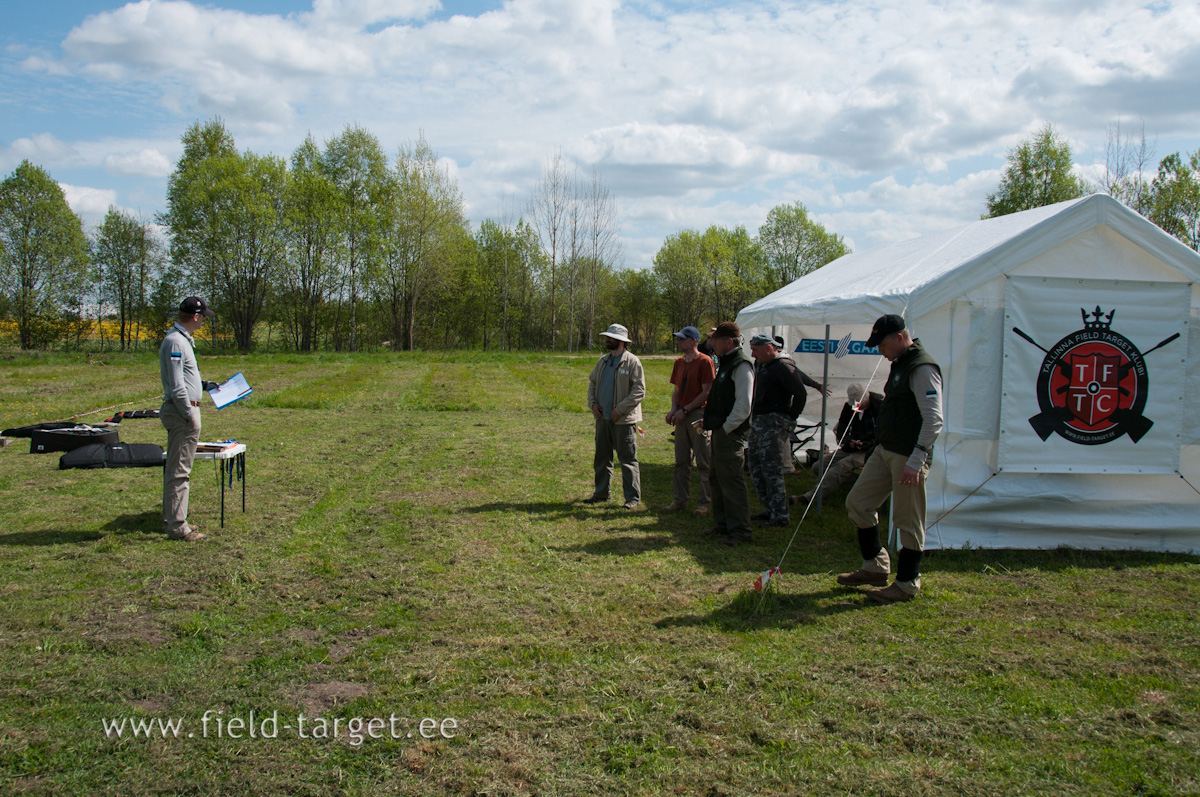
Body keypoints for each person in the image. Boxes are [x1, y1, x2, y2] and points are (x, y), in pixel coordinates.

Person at [838, 314, 943, 603]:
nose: (878, 350)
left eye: (881, 344)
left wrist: (917, 459)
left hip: (908, 455)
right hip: (886, 450)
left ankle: (907, 583)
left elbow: (934, 418)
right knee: (858, 503)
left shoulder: (921, 366)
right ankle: (875, 566)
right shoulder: (901, 363)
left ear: (900, 337)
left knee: (907, 520)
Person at [746, 333, 827, 528]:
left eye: (755, 349)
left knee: (772, 469)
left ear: (768, 348)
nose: (752, 353)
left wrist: (789, 418)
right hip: (758, 421)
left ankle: (780, 515)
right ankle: (768, 509)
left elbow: (800, 393)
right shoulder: (762, 365)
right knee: (756, 468)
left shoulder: (782, 366)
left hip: (773, 422)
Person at [159, 296, 221, 542]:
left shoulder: (181, 341)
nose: (205, 320)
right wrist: (189, 415)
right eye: (204, 316)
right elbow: (176, 386)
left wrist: (205, 386)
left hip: (185, 410)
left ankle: (177, 518)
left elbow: (185, 378)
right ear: (196, 317)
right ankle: (177, 527)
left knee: (180, 470)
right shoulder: (176, 342)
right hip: (182, 413)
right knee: (179, 472)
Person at [701, 321, 755, 545]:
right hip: (721, 430)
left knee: (732, 481)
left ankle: (741, 531)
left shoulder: (742, 365)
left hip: (730, 433)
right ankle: (723, 524)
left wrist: (725, 429)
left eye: (716, 339)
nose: (711, 343)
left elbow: (744, 405)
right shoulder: (727, 362)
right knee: (716, 478)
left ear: (729, 341)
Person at [585, 323, 645, 509]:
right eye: (607, 337)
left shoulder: (632, 362)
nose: (606, 340)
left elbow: (639, 390)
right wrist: (593, 404)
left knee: (627, 460)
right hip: (602, 419)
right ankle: (601, 493)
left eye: (610, 337)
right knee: (602, 458)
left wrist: (620, 410)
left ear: (620, 341)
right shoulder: (602, 361)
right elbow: (592, 384)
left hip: (623, 421)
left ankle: (632, 499)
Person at [795, 383, 882, 507]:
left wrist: (866, 443)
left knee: (841, 467)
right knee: (818, 467)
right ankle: (864, 486)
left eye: (858, 403)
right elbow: (841, 429)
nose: (855, 406)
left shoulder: (879, 408)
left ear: (866, 398)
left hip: (871, 450)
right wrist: (848, 440)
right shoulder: (849, 407)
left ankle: (809, 498)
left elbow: (884, 434)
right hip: (850, 448)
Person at [660, 326, 715, 516]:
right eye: (678, 339)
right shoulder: (679, 363)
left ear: (694, 341)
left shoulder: (705, 361)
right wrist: (674, 409)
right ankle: (680, 500)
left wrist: (685, 410)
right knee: (681, 460)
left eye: (683, 339)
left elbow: (706, 392)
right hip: (682, 415)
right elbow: (676, 391)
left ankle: (704, 503)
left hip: (698, 415)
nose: (679, 342)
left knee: (703, 460)